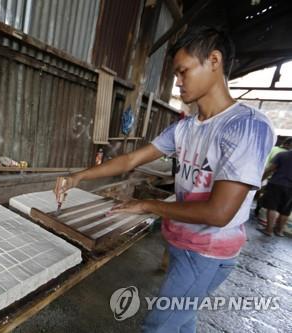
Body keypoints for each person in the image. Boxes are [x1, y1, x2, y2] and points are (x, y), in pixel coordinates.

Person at [54, 26, 275, 332]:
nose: (178, 82)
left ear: (214, 60)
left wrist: (147, 206)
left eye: (183, 72)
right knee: (183, 321)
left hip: (206, 253)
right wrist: (78, 176)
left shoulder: (246, 127)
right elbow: (132, 159)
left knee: (158, 327)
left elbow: (219, 212)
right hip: (181, 243)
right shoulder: (185, 128)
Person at [257, 140, 292, 237]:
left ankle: (269, 230)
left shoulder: (283, 155)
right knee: (285, 210)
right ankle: (279, 231)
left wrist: (260, 180)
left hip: (277, 183)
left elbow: (270, 169)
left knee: (272, 207)